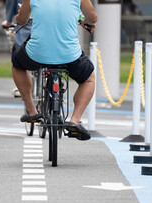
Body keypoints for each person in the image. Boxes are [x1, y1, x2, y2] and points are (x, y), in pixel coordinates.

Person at [12, 0, 97, 141]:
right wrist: (80, 18)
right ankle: (75, 120)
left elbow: (21, 20)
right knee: (89, 79)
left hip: (37, 53)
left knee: (17, 65)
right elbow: (93, 18)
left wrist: (20, 15)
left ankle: (32, 111)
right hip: (69, 56)